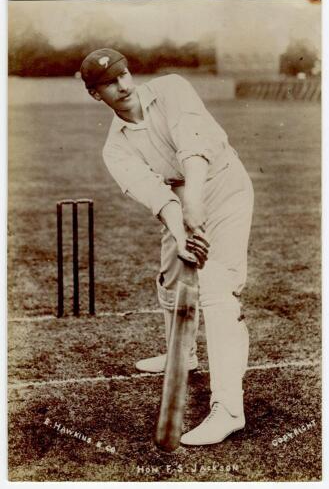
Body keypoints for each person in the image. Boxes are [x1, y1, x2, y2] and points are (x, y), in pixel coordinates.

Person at [80, 48, 254, 446]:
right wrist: (181, 232)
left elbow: (193, 146)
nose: (123, 85)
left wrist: (195, 202)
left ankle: (228, 409)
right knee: (171, 283)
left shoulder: (173, 88)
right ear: (96, 94)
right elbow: (157, 197)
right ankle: (183, 355)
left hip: (223, 188)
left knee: (216, 293)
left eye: (124, 74)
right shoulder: (115, 149)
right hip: (180, 202)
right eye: (109, 82)